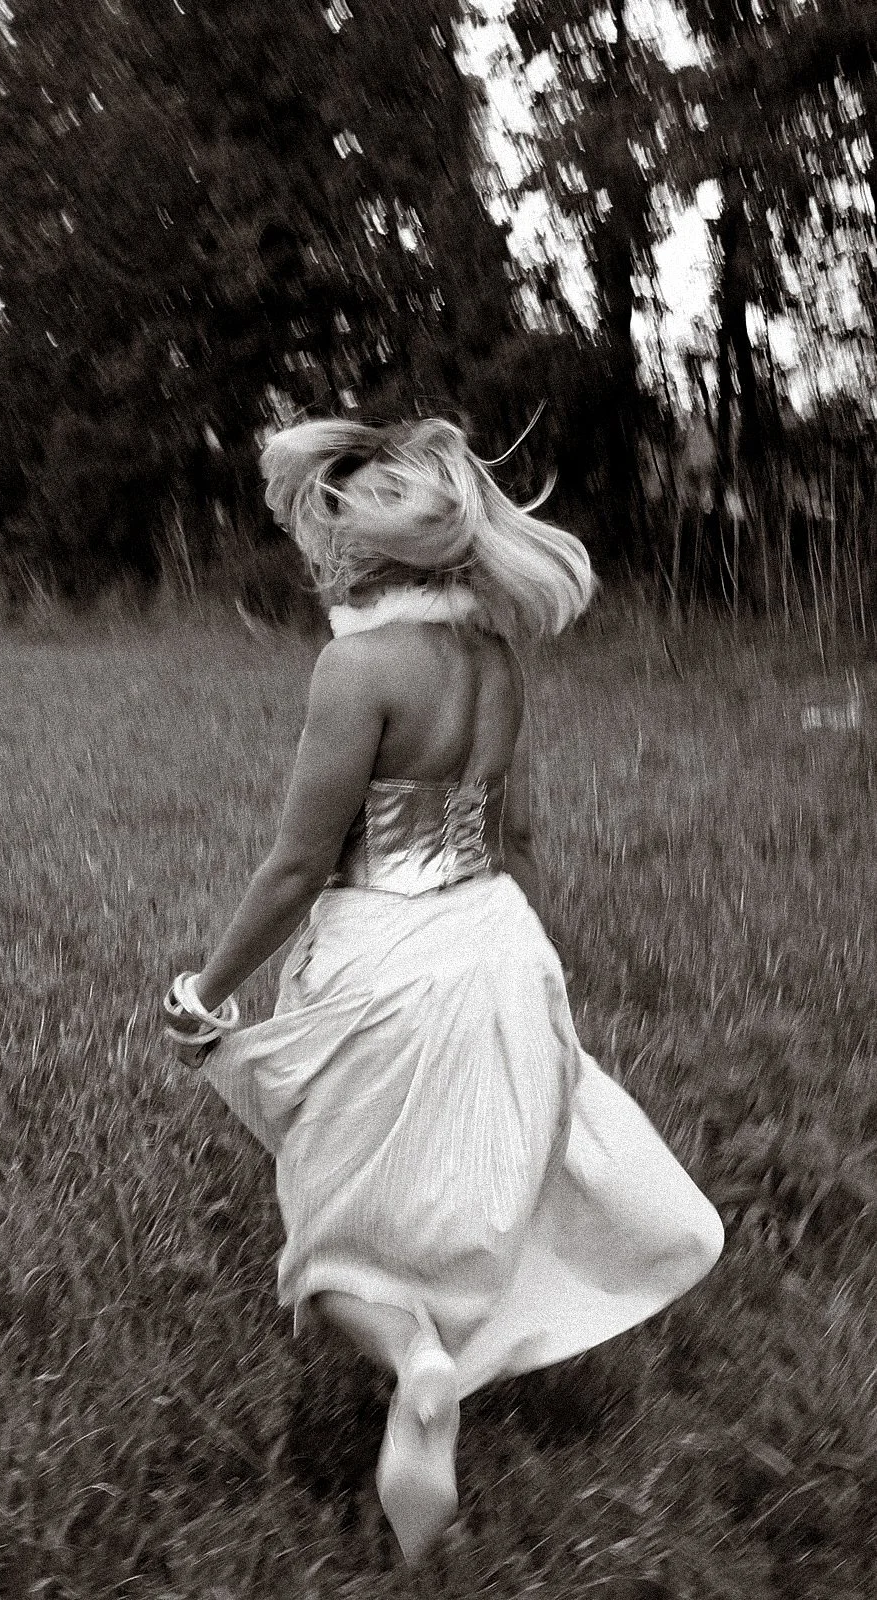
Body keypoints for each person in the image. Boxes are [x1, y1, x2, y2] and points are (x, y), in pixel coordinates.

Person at [163, 416, 724, 1565]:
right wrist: (539, 967)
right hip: (494, 941)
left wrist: (205, 990)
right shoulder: (494, 661)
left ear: (366, 552)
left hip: (383, 954)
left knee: (323, 1242)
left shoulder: (356, 665)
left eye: (328, 531)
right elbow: (513, 835)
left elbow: (296, 865)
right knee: (474, 1186)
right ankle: (444, 1336)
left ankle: (415, 1355)